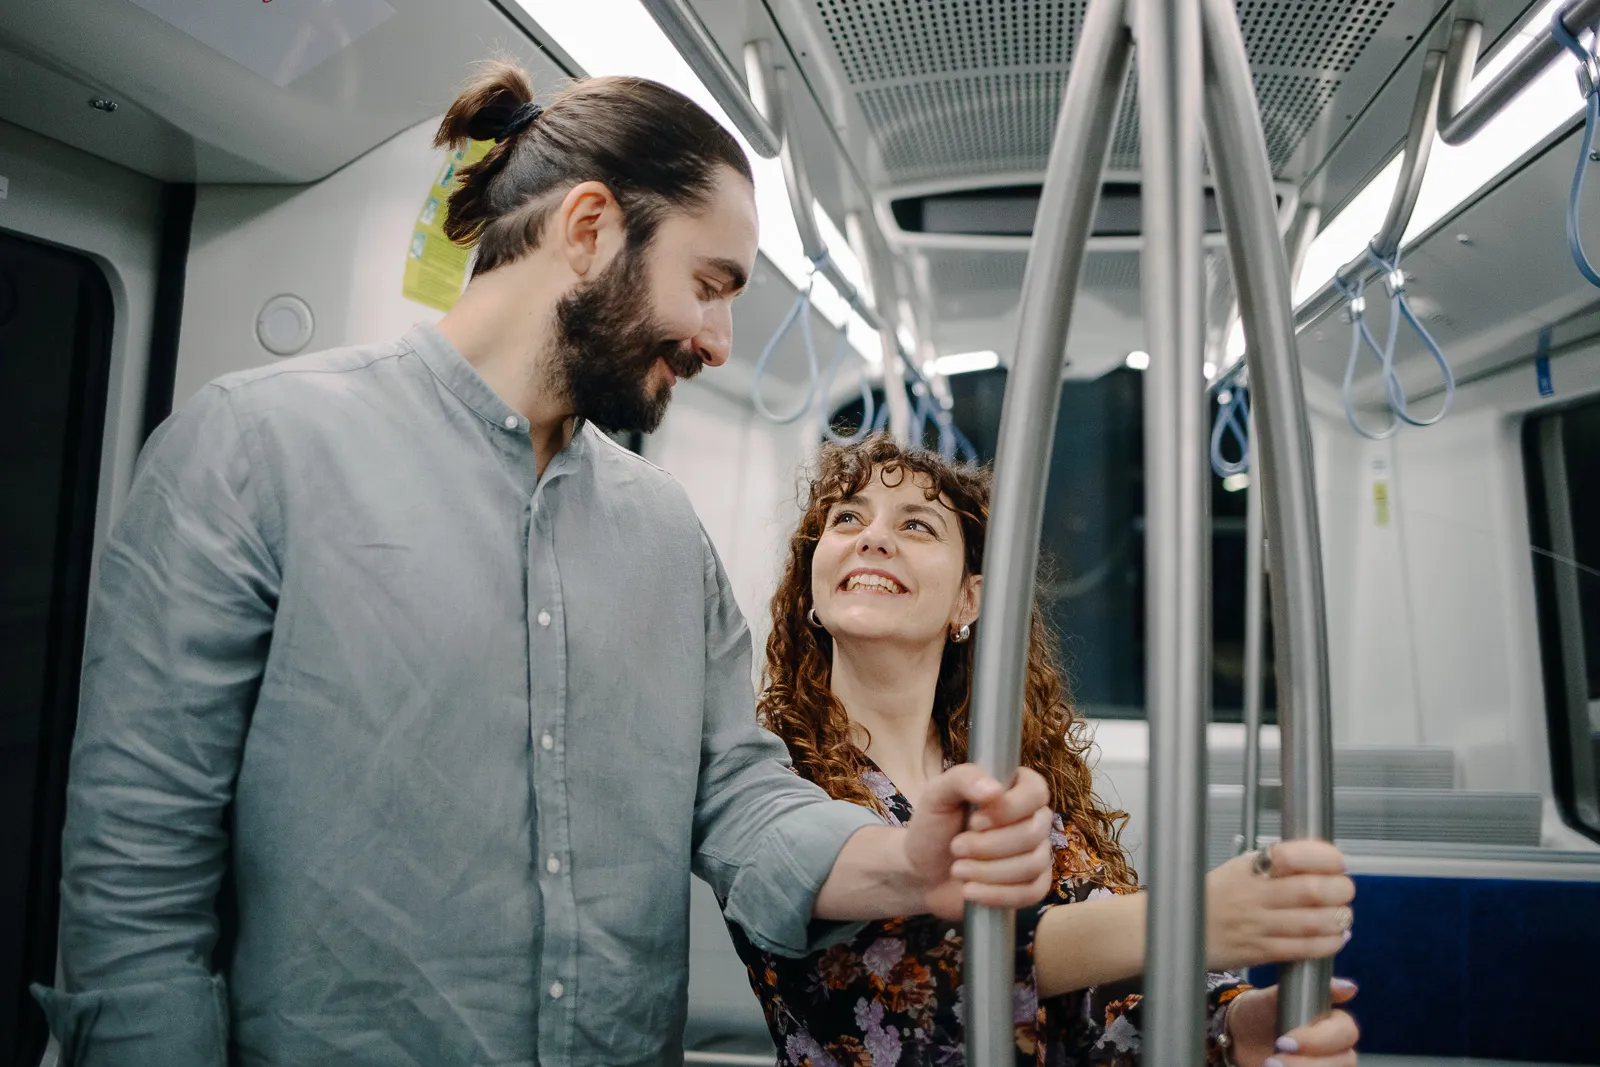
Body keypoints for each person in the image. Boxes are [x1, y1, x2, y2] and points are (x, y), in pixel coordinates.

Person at [30, 66, 1057, 1067]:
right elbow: (136, 875)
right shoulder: (257, 447)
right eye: (708, 286)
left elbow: (737, 794)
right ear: (589, 229)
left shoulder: (661, 526)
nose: (716, 340)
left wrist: (901, 860)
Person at [725, 435, 1362, 1067]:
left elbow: (1106, 998)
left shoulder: (1007, 773)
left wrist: (1237, 1028)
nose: (873, 537)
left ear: (968, 601)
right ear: (812, 581)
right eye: (847, 518)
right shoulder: (771, 778)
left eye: (917, 525)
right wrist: (1183, 923)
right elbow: (903, 987)